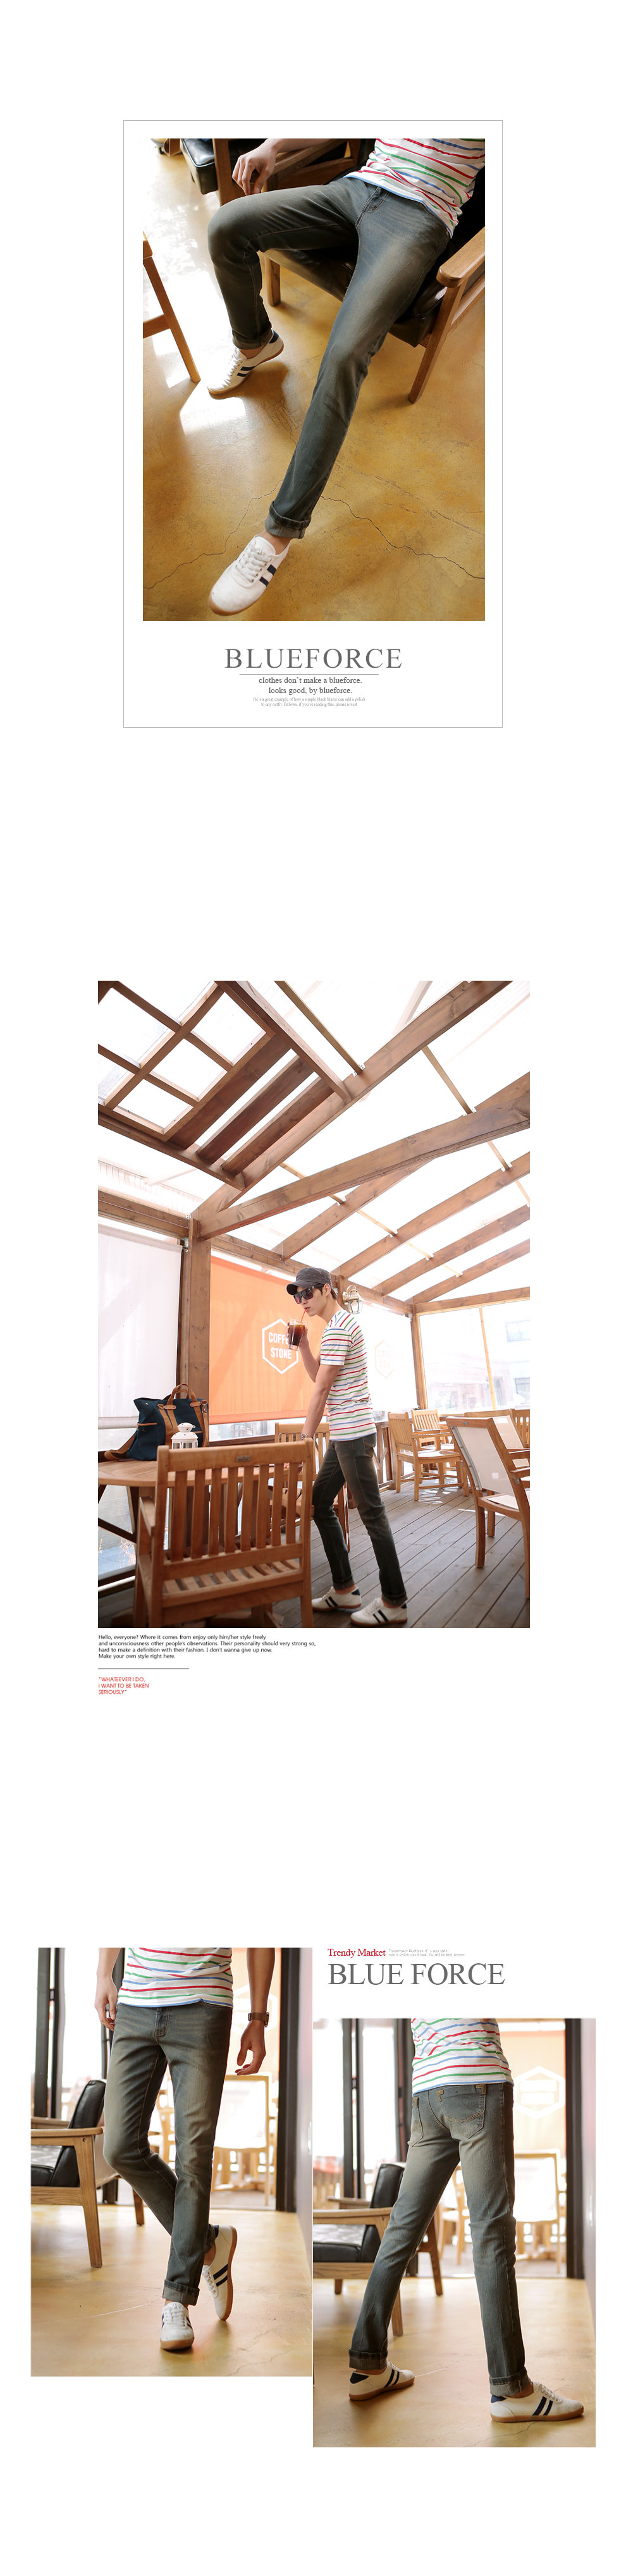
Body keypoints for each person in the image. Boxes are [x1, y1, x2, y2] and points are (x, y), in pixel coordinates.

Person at [207, 135, 484, 616]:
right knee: (227, 225)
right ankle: (255, 343)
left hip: (420, 217)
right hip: (355, 189)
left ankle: (279, 532)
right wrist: (274, 146)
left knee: (345, 356)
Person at [347, 2018, 584, 2422]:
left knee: (401, 2230)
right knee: (491, 2235)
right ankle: (512, 2388)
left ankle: (367, 2367)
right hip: (476, 2079)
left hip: (428, 2091)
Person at [97, 1946, 274, 2352]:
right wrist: (104, 1975)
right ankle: (209, 2243)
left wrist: (258, 2018)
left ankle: (177, 2300)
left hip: (204, 2004)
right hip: (136, 2002)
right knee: (120, 2147)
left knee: (193, 2157)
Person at [288, 1263, 408, 1626]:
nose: (303, 1300)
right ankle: (344, 1589)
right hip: (346, 1435)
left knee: (372, 1515)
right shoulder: (333, 1328)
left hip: (352, 1435)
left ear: (326, 1289)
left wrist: (306, 1437)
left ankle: (394, 1602)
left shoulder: (340, 1327)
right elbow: (319, 1376)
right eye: (298, 1296)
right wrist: (304, 1346)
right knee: (318, 1502)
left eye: (308, 1293)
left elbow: (322, 1389)